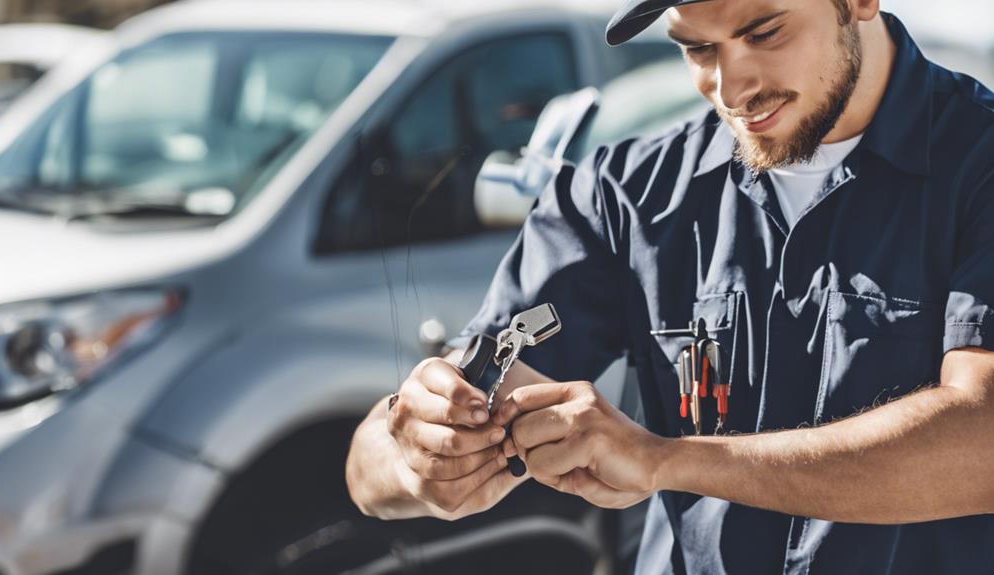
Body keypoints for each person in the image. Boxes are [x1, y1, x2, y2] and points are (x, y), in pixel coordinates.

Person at [345, 0, 994, 572]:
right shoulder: (623, 198)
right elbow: (372, 465)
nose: (733, 85)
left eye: (763, 32)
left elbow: (982, 441)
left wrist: (667, 460)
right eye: (698, 49)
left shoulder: (980, 166)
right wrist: (419, 445)